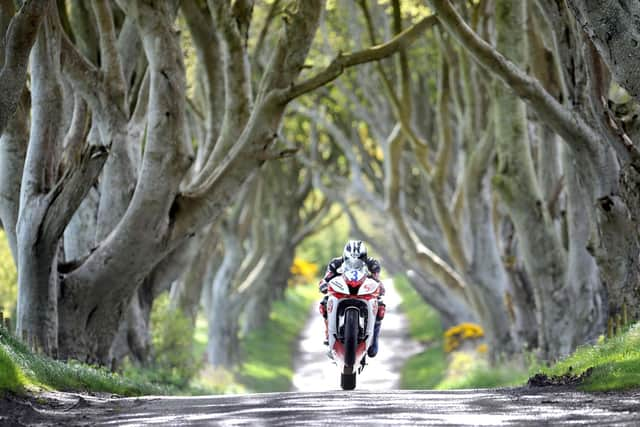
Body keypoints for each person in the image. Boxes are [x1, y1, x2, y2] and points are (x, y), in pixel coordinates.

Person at [318, 240, 386, 357]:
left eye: (359, 259)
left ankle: (374, 339)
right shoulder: (335, 263)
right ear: (345, 256)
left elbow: (377, 279)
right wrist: (323, 284)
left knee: (380, 305)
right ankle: (328, 334)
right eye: (350, 259)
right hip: (343, 290)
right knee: (324, 303)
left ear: (364, 257)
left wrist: (380, 287)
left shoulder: (373, 264)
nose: (354, 262)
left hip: (363, 291)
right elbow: (326, 278)